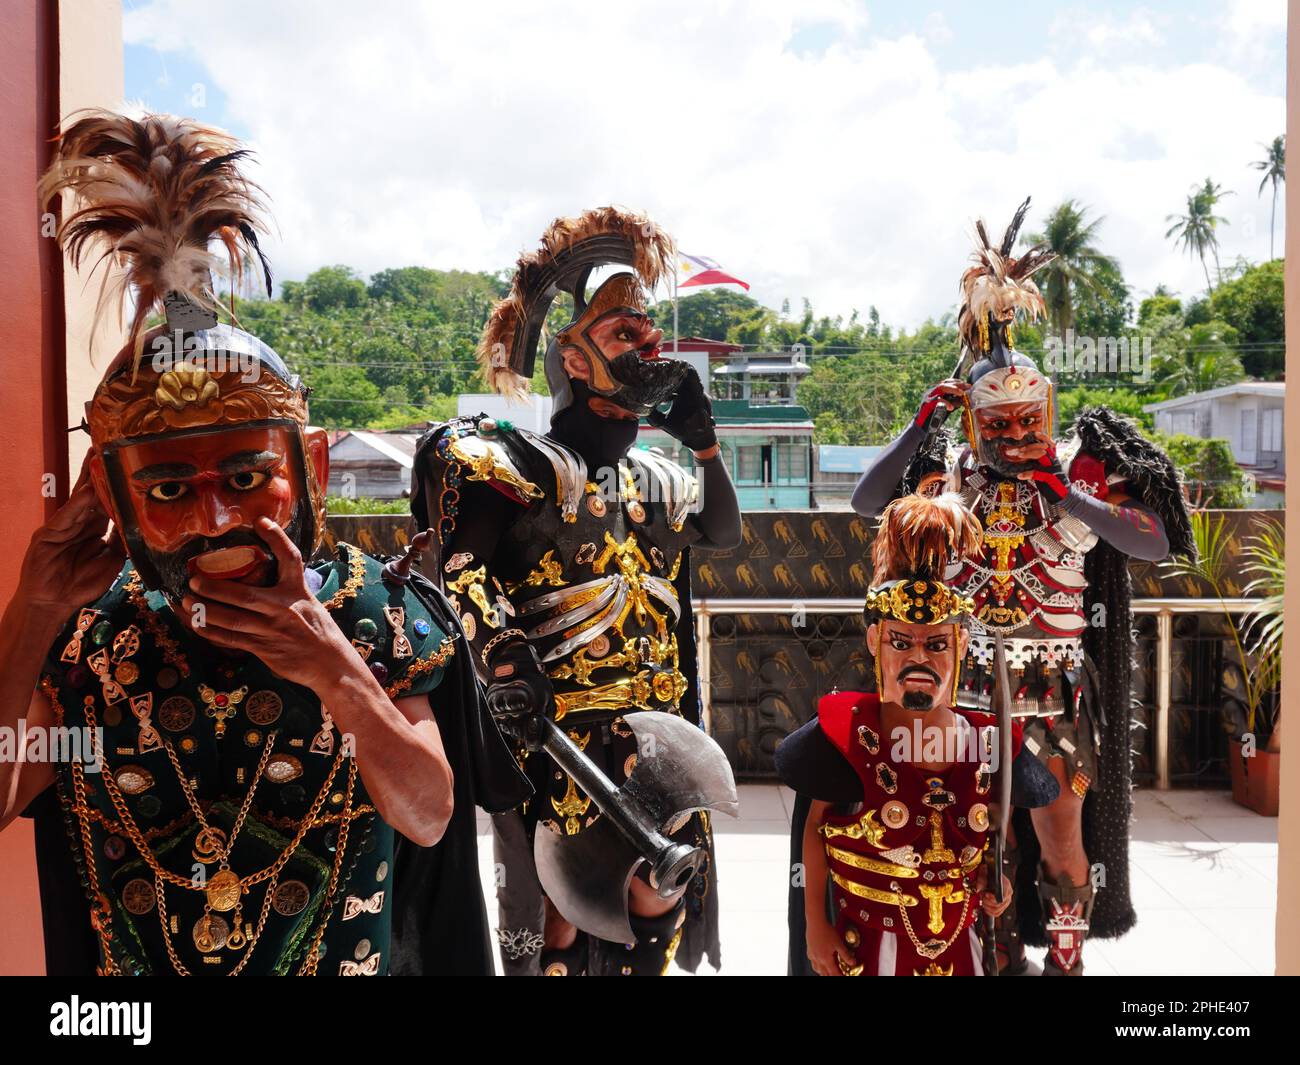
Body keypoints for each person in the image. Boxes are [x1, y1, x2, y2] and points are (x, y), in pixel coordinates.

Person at [0, 111, 525, 976]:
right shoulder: (95, 643)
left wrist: (337, 673)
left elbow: (428, 811)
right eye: (170, 490)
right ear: (115, 498)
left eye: (245, 478)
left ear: (310, 466)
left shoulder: (371, 615)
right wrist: (35, 607)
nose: (214, 520)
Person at [850, 200, 1193, 975]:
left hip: (1053, 686)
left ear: (1048, 411)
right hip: (965, 686)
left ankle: (1066, 961)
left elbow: (1155, 539)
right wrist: (915, 429)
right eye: (995, 425)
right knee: (975, 832)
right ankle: (995, 958)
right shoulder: (947, 477)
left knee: (1060, 834)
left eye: (1025, 421)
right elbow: (868, 504)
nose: (1012, 438)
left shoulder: (1083, 468)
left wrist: (1067, 493)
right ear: (972, 422)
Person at [411, 206, 742, 975]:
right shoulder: (509, 462)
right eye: (624, 333)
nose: (647, 350)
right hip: (551, 730)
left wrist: (705, 443)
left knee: (661, 890)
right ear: (574, 354)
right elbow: (463, 567)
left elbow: (722, 532)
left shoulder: (655, 480)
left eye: (651, 338)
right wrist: (501, 658)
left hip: (653, 728)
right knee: (557, 911)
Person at [778, 492, 1018, 976]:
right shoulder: (844, 735)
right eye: (901, 642)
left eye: (935, 645)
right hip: (867, 943)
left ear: (961, 645)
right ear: (874, 641)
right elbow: (814, 829)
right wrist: (814, 928)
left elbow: (992, 832)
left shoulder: (986, 739)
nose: (919, 660)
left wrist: (998, 883)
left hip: (957, 946)